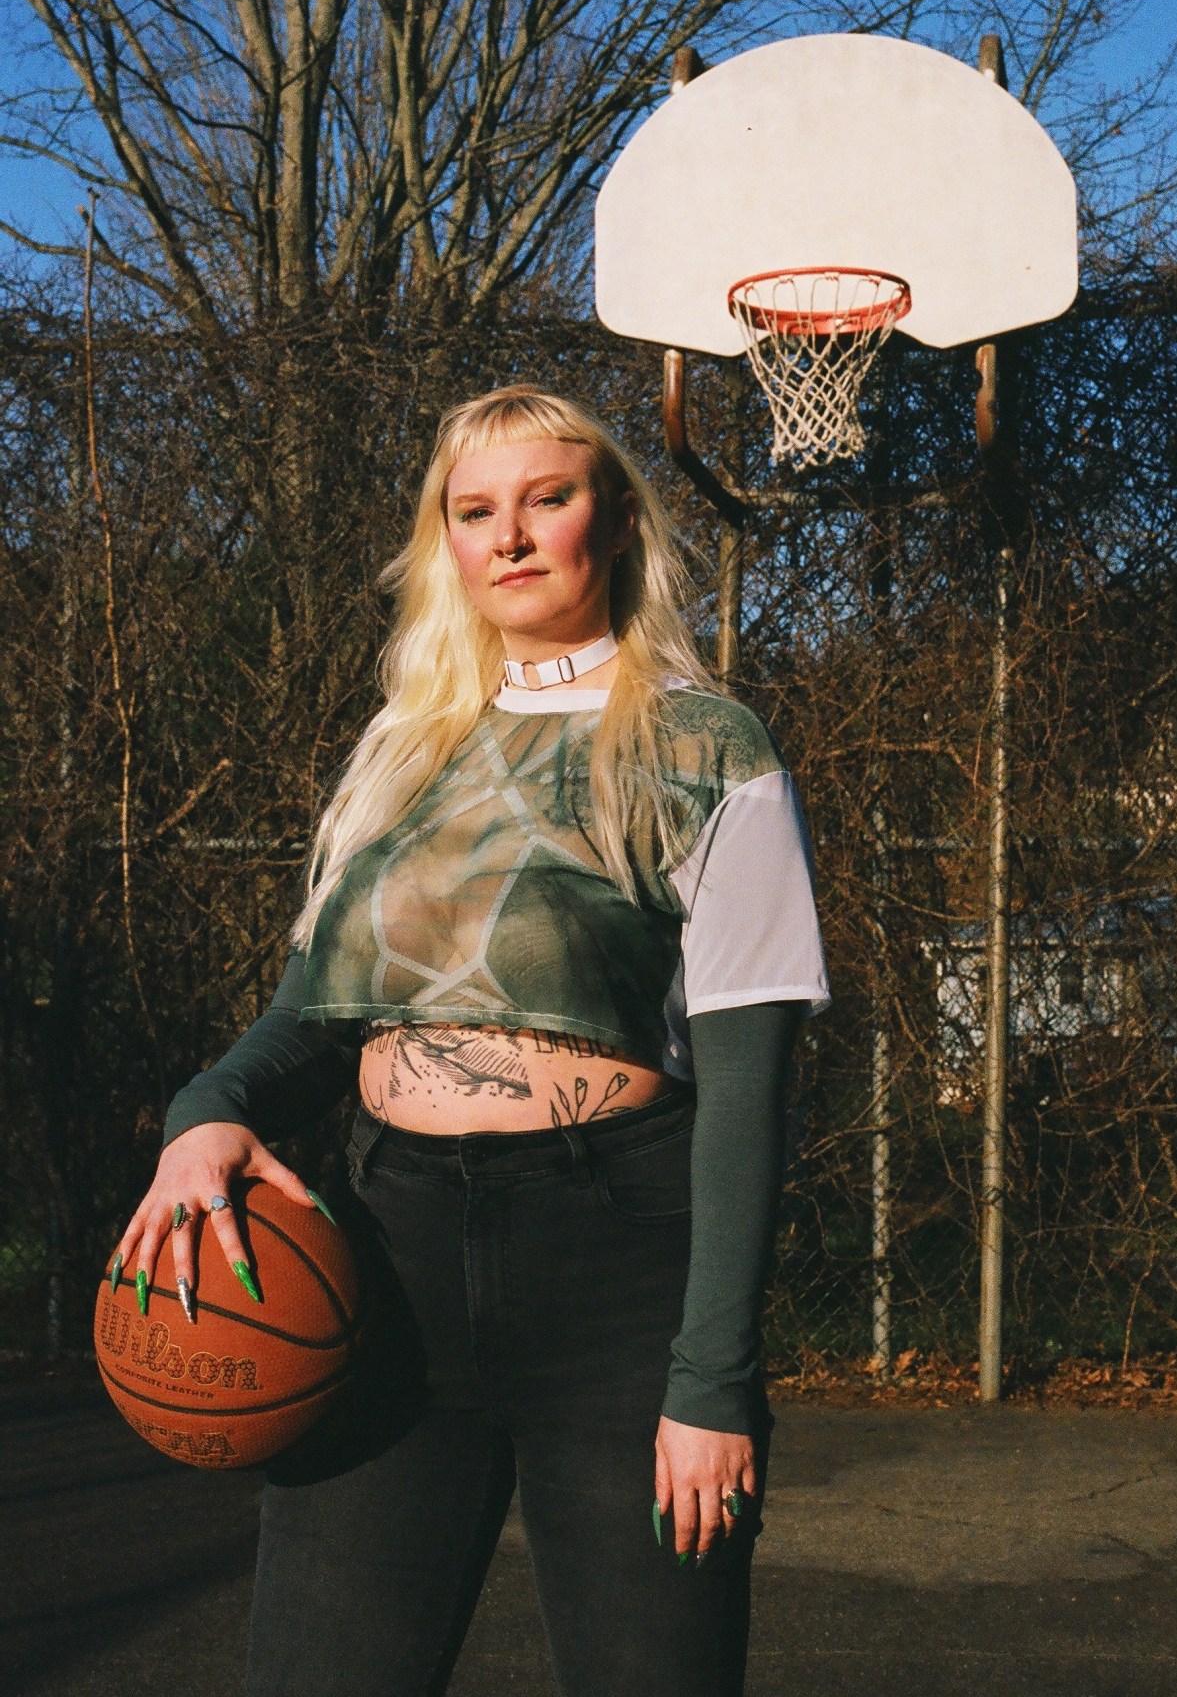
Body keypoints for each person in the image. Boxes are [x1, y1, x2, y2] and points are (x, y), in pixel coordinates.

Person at [114, 386, 830, 1697]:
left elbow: (745, 1092)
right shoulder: (402, 750)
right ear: (444, 542)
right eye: (473, 510)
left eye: (544, 498)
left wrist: (711, 1379)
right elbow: (317, 1018)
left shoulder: (707, 747)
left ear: (612, 520)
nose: (509, 537)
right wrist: (206, 1107)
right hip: (386, 1261)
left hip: (618, 1267)